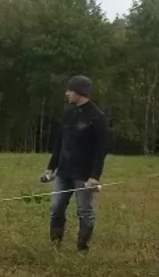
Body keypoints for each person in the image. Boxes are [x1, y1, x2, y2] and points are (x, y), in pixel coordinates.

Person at [40, 75, 109, 252]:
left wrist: (95, 176)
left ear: (80, 92)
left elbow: (100, 150)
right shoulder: (68, 115)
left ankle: (82, 249)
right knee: (56, 208)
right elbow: (59, 144)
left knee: (84, 212)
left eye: (70, 90)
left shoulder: (97, 117)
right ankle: (55, 245)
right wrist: (51, 168)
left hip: (83, 175)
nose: (67, 93)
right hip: (63, 172)